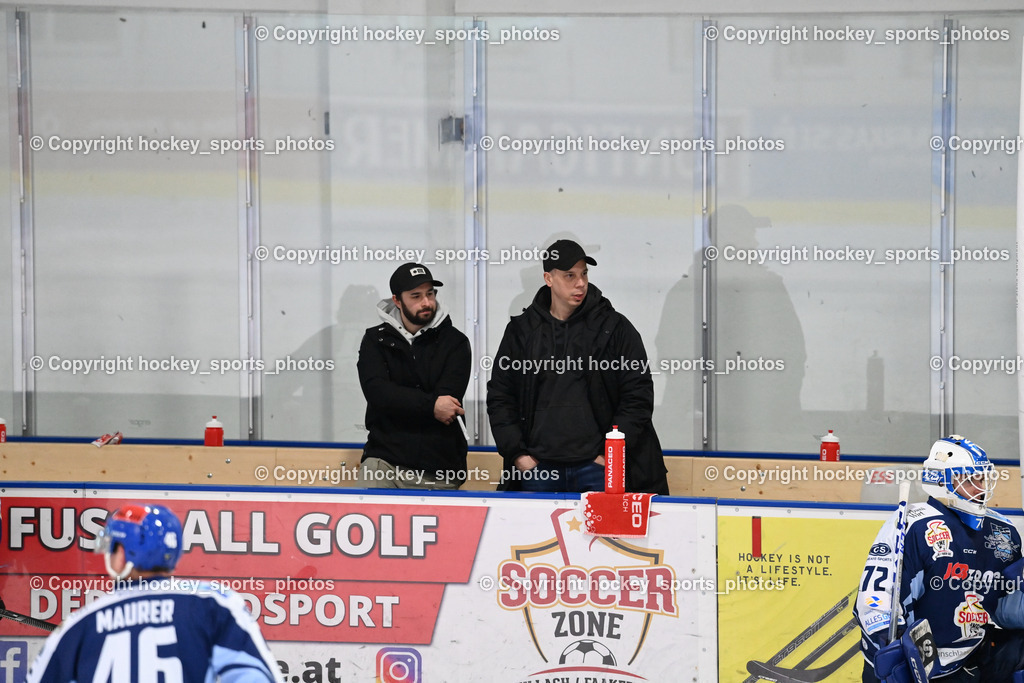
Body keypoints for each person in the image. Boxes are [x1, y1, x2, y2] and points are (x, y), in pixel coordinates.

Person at [487, 239, 669, 494]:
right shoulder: (522, 331)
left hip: (597, 469)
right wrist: (519, 456)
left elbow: (638, 394)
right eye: (569, 275)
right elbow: (500, 396)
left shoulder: (615, 328)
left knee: (606, 537)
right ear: (548, 279)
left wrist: (608, 457)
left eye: (584, 273)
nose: (580, 282)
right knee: (540, 536)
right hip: (539, 471)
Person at [27, 503, 280, 682]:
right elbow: (257, 674)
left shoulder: (79, 623)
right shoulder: (213, 603)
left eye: (113, 548)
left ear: (124, 553)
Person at [854, 435, 1024, 682]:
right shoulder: (913, 524)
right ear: (942, 481)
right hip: (913, 664)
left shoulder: (1002, 531)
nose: (980, 488)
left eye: (982, 477)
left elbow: (1003, 608)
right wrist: (891, 651)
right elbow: (875, 600)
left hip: (968, 658)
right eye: (969, 479)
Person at [356, 263, 471, 489]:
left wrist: (400, 400)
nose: (426, 302)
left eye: (430, 294)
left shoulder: (455, 342)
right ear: (397, 301)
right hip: (384, 461)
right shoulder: (374, 340)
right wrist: (430, 406)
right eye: (416, 296)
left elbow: (447, 404)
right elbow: (378, 394)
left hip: (440, 465)